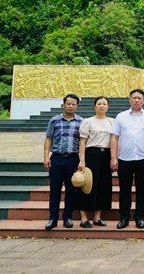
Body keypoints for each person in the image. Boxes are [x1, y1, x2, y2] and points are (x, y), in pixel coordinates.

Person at [110, 88, 144, 229]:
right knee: (124, 190)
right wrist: (113, 158)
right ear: (129, 100)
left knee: (142, 190)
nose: (137, 100)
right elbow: (114, 137)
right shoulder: (121, 116)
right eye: (134, 97)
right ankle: (124, 218)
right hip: (124, 158)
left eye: (139, 98)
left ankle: (139, 218)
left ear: (143, 100)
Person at [43, 94, 82, 230]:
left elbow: (83, 142)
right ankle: (53, 218)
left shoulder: (81, 122)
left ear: (77, 106)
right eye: (68, 103)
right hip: (56, 158)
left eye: (74, 104)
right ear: (63, 104)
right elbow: (48, 138)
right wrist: (46, 157)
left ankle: (67, 218)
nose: (71, 106)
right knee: (55, 190)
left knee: (71, 189)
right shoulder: (54, 120)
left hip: (73, 158)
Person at [75, 95, 114, 228]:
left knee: (103, 186)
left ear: (108, 106)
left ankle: (97, 217)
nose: (102, 106)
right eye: (99, 104)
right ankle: (84, 218)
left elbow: (115, 140)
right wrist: (82, 160)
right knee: (86, 186)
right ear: (94, 106)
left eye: (104, 104)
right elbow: (82, 142)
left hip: (106, 156)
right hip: (91, 155)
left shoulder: (112, 122)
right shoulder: (88, 122)